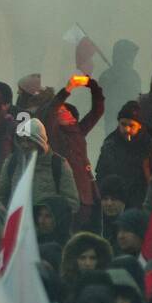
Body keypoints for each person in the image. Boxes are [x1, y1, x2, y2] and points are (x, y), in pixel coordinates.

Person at [38, 76, 106, 221]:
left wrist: (92, 85)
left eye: (65, 110)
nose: (64, 112)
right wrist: (67, 89)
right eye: (60, 111)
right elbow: (50, 112)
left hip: (88, 195)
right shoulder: (55, 136)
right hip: (70, 196)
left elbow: (97, 111)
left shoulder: (78, 132)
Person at [0, 119, 81, 213]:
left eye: (30, 141)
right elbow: (0, 196)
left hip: (45, 226)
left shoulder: (58, 165)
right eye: (22, 140)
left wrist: (49, 218)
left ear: (40, 142)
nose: (25, 145)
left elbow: (71, 203)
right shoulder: (12, 162)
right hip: (16, 224)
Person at [95, 102, 152, 210]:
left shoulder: (149, 145)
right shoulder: (110, 143)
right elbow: (101, 172)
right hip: (116, 200)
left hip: (141, 198)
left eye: (131, 125)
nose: (127, 129)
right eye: (123, 124)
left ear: (139, 126)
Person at [98, 39, 142, 134]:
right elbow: (100, 98)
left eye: (132, 58)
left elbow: (137, 96)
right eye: (129, 57)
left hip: (132, 119)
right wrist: (114, 83)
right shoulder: (107, 76)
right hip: (113, 120)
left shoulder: (134, 75)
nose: (131, 60)